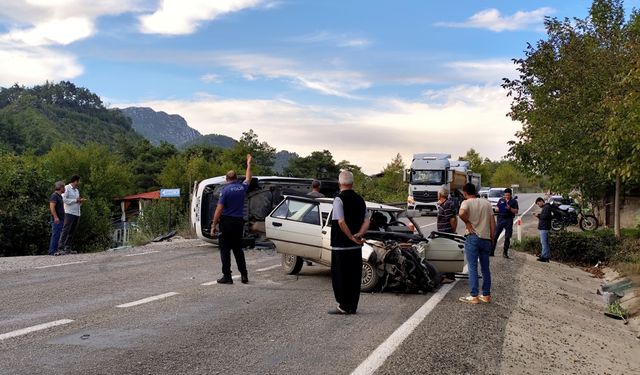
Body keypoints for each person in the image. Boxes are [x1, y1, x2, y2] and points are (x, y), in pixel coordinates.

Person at [328, 170, 369, 315]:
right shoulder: (360, 199)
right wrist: (359, 234)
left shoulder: (339, 199)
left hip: (341, 245)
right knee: (354, 276)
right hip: (355, 246)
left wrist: (351, 236)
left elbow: (340, 221)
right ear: (352, 183)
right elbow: (366, 221)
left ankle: (343, 306)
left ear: (339, 183)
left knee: (340, 275)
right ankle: (353, 305)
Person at [211, 154, 252, 284]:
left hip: (227, 223)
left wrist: (213, 225)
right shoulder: (242, 187)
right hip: (239, 222)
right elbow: (248, 178)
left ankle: (227, 277)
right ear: (235, 178)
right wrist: (249, 164)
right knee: (238, 249)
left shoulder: (225, 190)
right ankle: (244, 275)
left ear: (226, 178)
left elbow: (219, 209)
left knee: (225, 250)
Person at [458, 183, 496, 304]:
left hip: (472, 237)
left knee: (473, 267)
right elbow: (492, 223)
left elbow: (461, 213)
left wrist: (468, 223)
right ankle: (486, 295)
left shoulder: (466, 203)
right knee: (485, 268)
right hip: (486, 239)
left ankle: (474, 295)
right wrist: (492, 238)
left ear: (465, 192)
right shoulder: (486, 203)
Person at [58, 175, 86, 254]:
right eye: (79, 181)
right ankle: (60, 248)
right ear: (75, 181)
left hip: (76, 213)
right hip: (68, 212)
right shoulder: (67, 188)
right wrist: (75, 200)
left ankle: (68, 248)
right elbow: (64, 199)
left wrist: (80, 201)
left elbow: (76, 202)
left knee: (72, 231)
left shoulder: (77, 190)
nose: (79, 183)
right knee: (65, 230)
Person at [492, 188, 519, 258]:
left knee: (507, 237)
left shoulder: (514, 201)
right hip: (500, 219)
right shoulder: (501, 200)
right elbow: (497, 208)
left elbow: (516, 211)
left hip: (509, 219)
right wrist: (496, 209)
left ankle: (505, 252)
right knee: (495, 236)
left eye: (508, 195)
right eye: (505, 195)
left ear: (511, 195)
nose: (506, 196)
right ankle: (491, 251)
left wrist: (510, 208)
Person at [49, 181, 66, 256]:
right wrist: (55, 217)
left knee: (58, 234)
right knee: (56, 234)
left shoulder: (60, 196)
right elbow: (52, 207)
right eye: (64, 187)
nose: (65, 189)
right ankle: (52, 251)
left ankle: (55, 250)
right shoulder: (54, 195)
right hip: (56, 219)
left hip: (61, 219)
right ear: (61, 187)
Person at [533, 197, 552, 262]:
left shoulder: (546, 207)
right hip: (544, 227)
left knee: (544, 242)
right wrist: (539, 215)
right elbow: (544, 216)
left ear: (541, 201)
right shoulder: (546, 207)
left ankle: (544, 257)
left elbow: (545, 216)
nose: (539, 205)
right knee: (545, 242)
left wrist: (538, 215)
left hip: (544, 227)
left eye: (538, 204)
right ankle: (545, 255)